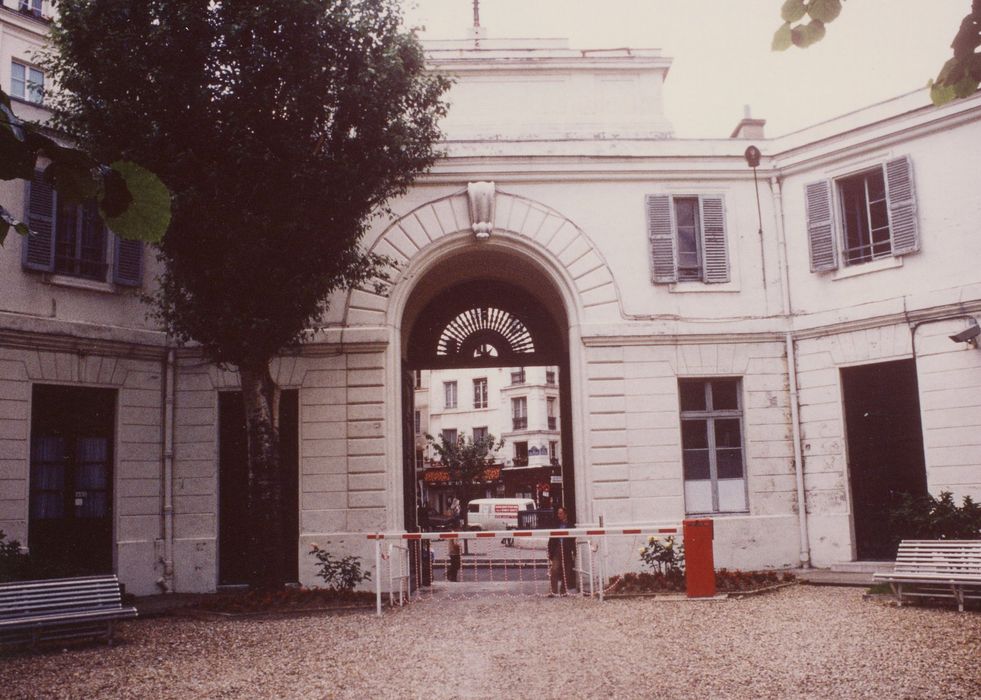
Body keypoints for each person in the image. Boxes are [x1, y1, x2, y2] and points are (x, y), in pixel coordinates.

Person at [547, 506, 576, 595]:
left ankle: (563, 590)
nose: (558, 515)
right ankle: (553, 591)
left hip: (567, 548)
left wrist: (573, 551)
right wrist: (550, 550)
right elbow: (551, 538)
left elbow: (573, 539)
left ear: (565, 514)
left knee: (566, 570)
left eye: (560, 513)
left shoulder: (571, 525)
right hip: (557, 548)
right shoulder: (555, 524)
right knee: (554, 569)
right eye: (558, 513)